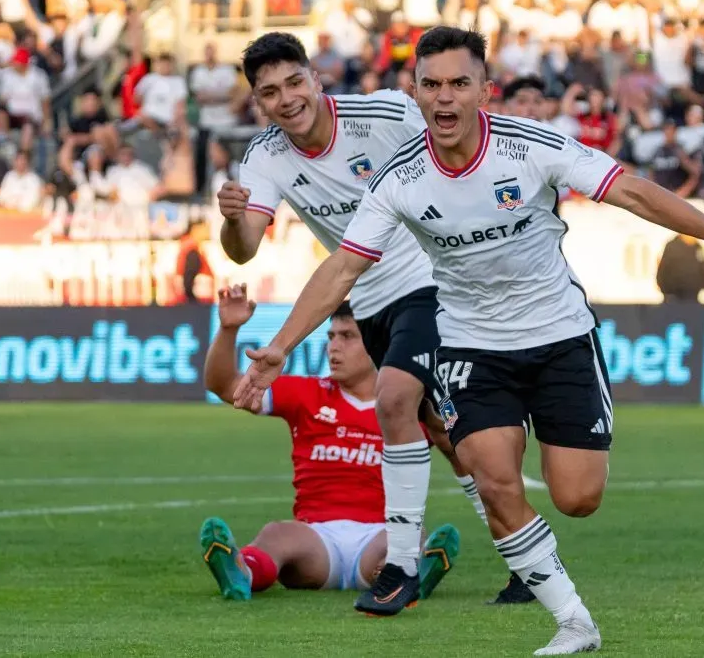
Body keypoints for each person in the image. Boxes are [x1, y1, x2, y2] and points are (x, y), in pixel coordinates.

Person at [230, 27, 704, 655]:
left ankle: (480, 553)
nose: (445, 99)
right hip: (470, 342)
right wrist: (279, 346)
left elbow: (630, 189)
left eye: (459, 84)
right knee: (493, 477)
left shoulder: (532, 147)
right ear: (414, 93)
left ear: (485, 91)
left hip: (558, 335)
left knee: (577, 497)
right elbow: (341, 270)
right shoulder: (397, 180)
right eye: (432, 85)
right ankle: (573, 621)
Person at [215, 32, 534, 611]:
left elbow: (460, 144)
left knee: (392, 400)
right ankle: (530, 561)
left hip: (432, 284)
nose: (286, 99)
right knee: (444, 433)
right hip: (368, 302)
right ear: (258, 103)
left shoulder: (383, 113)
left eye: (294, 82)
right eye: (270, 92)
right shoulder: (264, 155)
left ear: (315, 78)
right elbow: (243, 249)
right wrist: (233, 221)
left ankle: (400, 569)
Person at [201, 285, 460, 601]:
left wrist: (438, 420)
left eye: (347, 337)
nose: (333, 348)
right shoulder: (307, 394)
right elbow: (224, 385)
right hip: (316, 539)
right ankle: (243, 572)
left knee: (408, 539)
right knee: (277, 534)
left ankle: (402, 573)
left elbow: (461, 448)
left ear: (379, 342)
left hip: (380, 532)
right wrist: (229, 329)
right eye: (331, 337)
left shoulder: (406, 406)